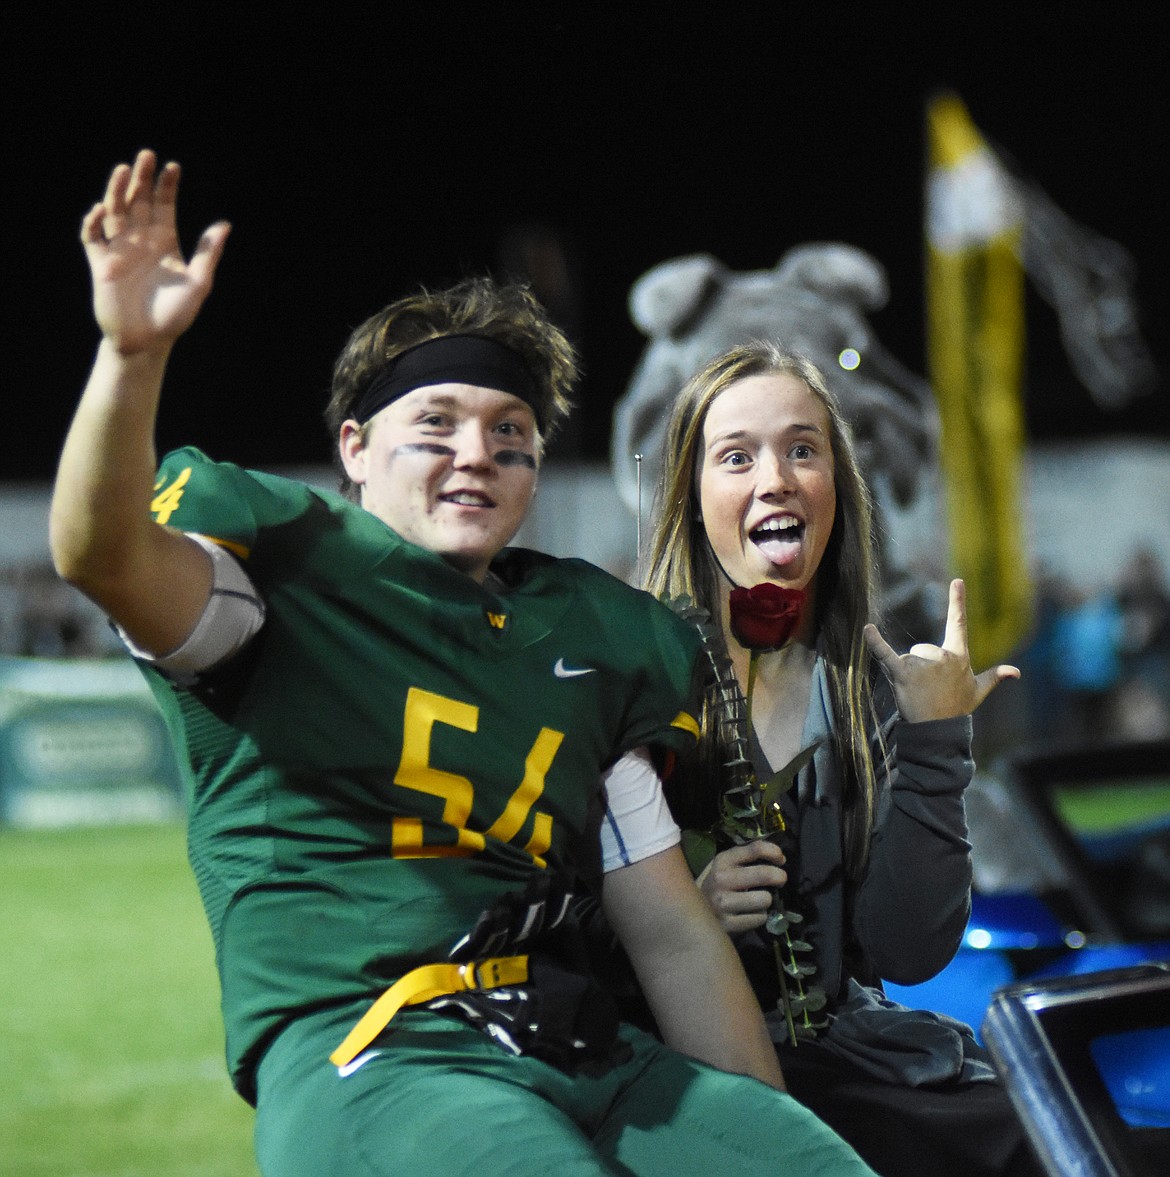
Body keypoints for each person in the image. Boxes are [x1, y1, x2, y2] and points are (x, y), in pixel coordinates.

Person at [49, 152, 876, 1177]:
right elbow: (101, 552)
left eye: (509, 432)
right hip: (379, 1052)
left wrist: (764, 1137)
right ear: (355, 447)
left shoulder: (591, 632)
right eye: (435, 423)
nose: (476, 452)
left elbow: (669, 931)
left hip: (579, 1047)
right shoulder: (282, 584)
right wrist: (131, 357)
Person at [642, 342, 1038, 1177]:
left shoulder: (870, 687)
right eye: (737, 456)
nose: (775, 478)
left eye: (802, 449)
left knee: (1046, 1130)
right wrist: (683, 912)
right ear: (692, 494)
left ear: (835, 489)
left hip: (852, 1063)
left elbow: (907, 952)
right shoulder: (630, 680)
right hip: (675, 1065)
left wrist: (935, 740)